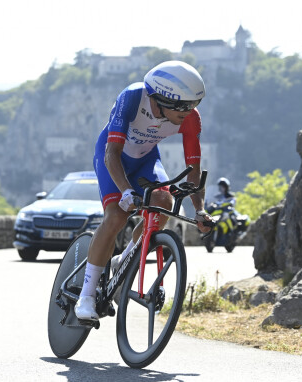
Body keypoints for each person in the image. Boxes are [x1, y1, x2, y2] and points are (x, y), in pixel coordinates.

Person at [74, 61, 214, 321]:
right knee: (116, 216)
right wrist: (126, 191)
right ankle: (87, 295)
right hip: (113, 157)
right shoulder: (132, 97)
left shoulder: (190, 119)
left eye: (194, 105)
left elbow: (193, 169)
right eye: (183, 106)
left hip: (146, 160)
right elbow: (111, 154)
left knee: (164, 202)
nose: (190, 111)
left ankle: (124, 261)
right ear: (160, 99)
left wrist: (200, 209)